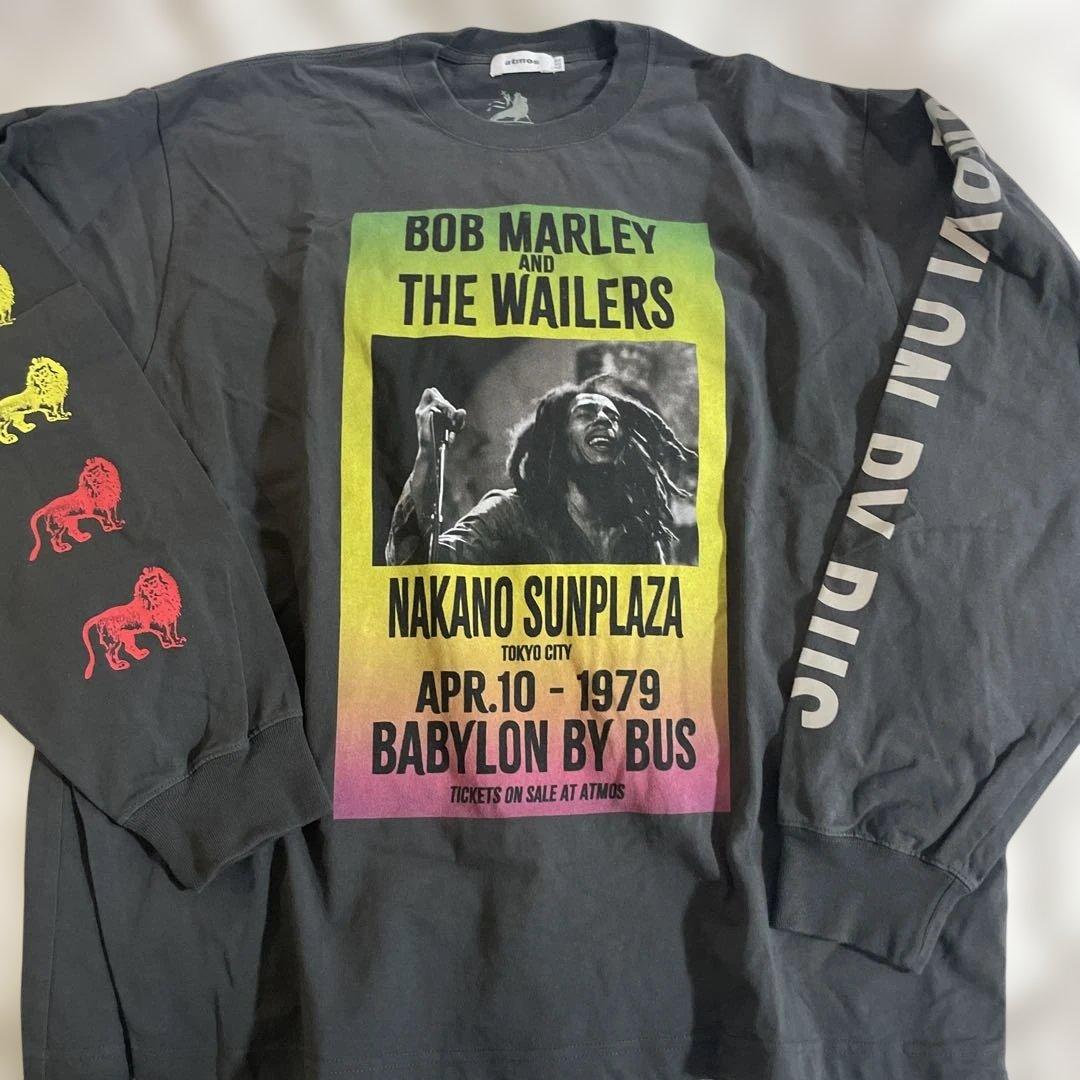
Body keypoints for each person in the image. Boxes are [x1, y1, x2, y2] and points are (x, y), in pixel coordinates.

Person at [385, 373, 696, 565]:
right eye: (586, 413)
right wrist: (429, 455)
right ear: (558, 441)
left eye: (613, 418)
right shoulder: (510, 515)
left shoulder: (639, 537)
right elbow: (415, 567)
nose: (604, 420)